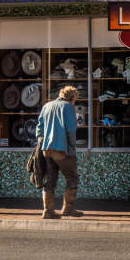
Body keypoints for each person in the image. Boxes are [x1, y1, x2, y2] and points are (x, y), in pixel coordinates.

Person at [36, 85, 83, 219]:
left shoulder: (47, 106)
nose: (75, 101)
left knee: (50, 179)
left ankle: (48, 210)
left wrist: (42, 141)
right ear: (72, 97)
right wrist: (72, 147)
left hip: (47, 149)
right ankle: (68, 209)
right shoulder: (68, 107)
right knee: (72, 178)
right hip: (63, 149)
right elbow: (71, 130)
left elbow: (39, 127)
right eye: (75, 99)